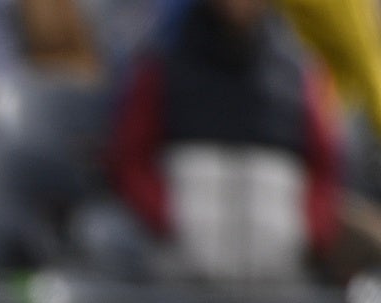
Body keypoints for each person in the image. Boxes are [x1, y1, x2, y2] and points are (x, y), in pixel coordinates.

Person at [108, 0, 344, 284]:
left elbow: (326, 168)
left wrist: (307, 229)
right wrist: (169, 217)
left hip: (280, 280)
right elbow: (131, 158)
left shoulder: (301, 72)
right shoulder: (160, 65)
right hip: (181, 278)